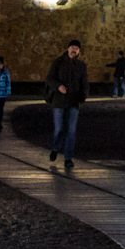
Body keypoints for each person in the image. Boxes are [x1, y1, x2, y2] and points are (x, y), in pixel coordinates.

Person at [45, 39, 88, 167]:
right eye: (72, 47)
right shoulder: (58, 63)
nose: (74, 49)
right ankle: (56, 148)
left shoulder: (81, 66)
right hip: (59, 101)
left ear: (79, 51)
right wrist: (59, 86)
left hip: (74, 102)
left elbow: (85, 84)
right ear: (68, 48)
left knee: (71, 130)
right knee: (59, 129)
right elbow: (49, 79)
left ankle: (68, 158)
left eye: (77, 48)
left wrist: (83, 97)